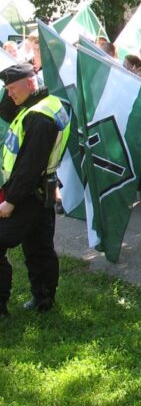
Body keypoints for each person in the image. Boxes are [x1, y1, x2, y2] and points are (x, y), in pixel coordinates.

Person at [0, 63, 70, 316]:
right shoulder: (41, 104)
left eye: (12, 88)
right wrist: (16, 89)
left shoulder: (39, 116)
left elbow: (30, 165)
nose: (9, 95)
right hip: (41, 190)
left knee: (35, 247)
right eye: (6, 89)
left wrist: (11, 201)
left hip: (28, 193)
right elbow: (6, 112)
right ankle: (43, 300)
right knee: (39, 247)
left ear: (30, 84)